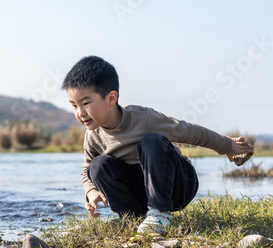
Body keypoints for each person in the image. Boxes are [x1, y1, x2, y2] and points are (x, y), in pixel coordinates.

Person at [62, 56, 254, 234]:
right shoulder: (92, 136)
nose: (80, 113)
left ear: (111, 98)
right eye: (74, 106)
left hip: (177, 186)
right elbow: (87, 167)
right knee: (98, 166)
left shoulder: (144, 118)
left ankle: (160, 213)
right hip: (141, 191)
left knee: (151, 141)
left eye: (86, 103)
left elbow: (187, 131)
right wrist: (91, 191)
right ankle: (133, 217)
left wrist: (226, 146)